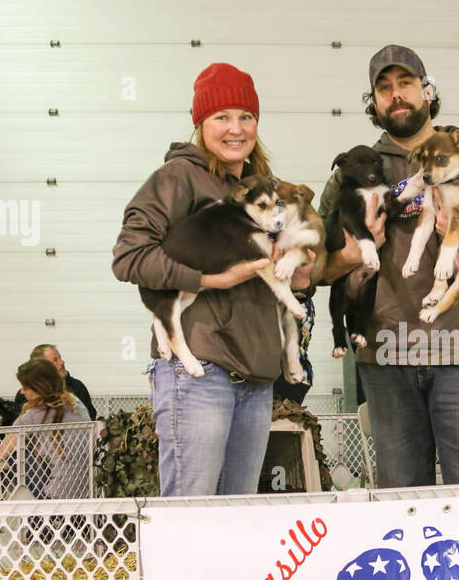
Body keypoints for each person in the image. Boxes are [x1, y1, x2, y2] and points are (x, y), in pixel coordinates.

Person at [318, 45, 459, 488]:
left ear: (427, 90)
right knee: (403, 503)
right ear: (374, 102)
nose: (395, 95)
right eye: (383, 89)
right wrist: (347, 256)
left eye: (405, 84)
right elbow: (313, 269)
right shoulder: (357, 166)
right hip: (385, 356)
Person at [112, 63, 310, 496]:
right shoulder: (176, 178)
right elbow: (129, 258)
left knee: (234, 520)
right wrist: (210, 280)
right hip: (199, 374)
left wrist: (306, 265)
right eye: (221, 117)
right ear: (200, 124)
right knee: (191, 517)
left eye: (246, 117)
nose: (235, 129)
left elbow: (295, 276)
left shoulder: (265, 188)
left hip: (256, 378)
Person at [0, 357, 91, 498]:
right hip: (85, 491)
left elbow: (0, 454)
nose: (21, 392)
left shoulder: (33, 416)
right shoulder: (76, 403)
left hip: (54, 495)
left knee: (16, 455)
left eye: (25, 387)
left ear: (39, 388)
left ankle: (34, 514)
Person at [12, 344, 97, 420]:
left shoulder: (77, 386)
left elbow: (91, 416)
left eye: (60, 358)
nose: (62, 362)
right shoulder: (25, 395)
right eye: (55, 360)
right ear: (41, 367)